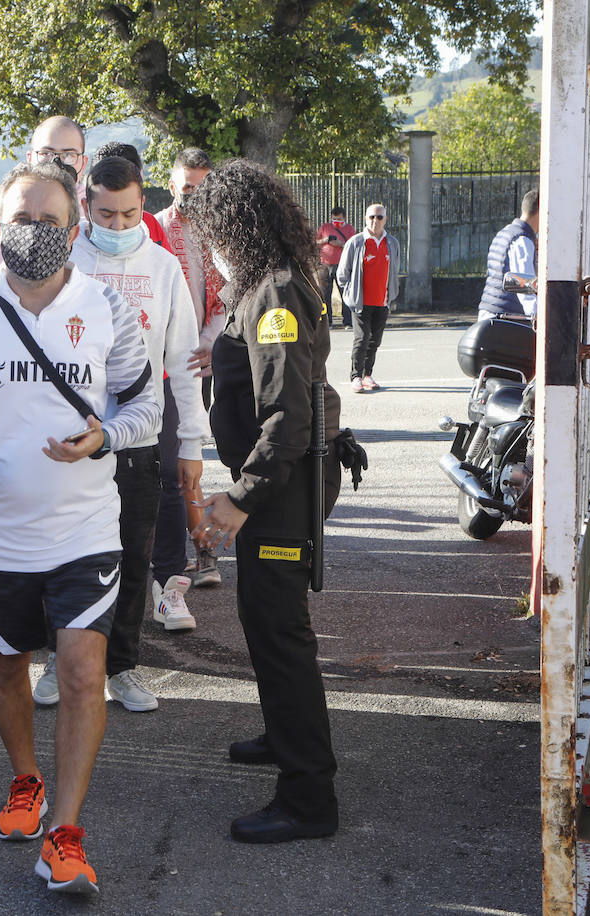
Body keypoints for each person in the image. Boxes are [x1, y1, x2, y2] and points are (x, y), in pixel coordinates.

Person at [0, 160, 159, 895]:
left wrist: (104, 438)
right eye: (23, 220)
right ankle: (26, 781)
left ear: (74, 223)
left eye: (51, 221)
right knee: (6, 668)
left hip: (84, 527)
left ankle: (68, 833)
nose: (36, 233)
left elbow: (145, 408)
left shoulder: (106, 307)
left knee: (83, 671)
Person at [180, 158, 344, 844]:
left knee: (280, 636)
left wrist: (240, 499)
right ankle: (284, 738)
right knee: (264, 620)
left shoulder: (274, 294)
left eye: (210, 234)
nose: (207, 250)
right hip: (278, 481)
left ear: (235, 228)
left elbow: (287, 417)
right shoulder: (262, 288)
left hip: (280, 485)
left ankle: (308, 799)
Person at [43, 154, 207, 715]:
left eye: (129, 214)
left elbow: (184, 359)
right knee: (65, 553)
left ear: (145, 206)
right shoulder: (63, 261)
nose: (116, 227)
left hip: (140, 437)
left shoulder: (163, 268)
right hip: (71, 438)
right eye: (106, 214)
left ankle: (123, 665)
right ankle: (55, 660)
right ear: (84, 206)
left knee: (134, 555)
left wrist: (191, 444)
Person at [153, 147, 224, 589]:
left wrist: (208, 343)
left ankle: (201, 549)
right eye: (184, 189)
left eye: (199, 189)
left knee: (189, 457)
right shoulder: (153, 228)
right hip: (152, 364)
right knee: (163, 464)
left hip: (197, 362)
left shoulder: (219, 231)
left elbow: (228, 296)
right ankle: (170, 556)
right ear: (172, 183)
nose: (190, 197)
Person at [0, 116, 89, 300]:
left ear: (83, 163)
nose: (56, 163)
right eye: (46, 153)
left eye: (68, 155)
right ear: (30, 157)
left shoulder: (94, 212)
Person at [337, 203, 399, 392]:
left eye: (379, 217)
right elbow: (342, 274)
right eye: (372, 217)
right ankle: (355, 376)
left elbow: (395, 270)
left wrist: (391, 294)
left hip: (382, 301)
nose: (375, 221)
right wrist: (351, 294)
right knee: (362, 338)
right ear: (366, 219)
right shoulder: (356, 242)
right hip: (361, 302)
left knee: (375, 340)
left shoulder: (392, 243)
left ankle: (367, 375)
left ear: (385, 220)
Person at [87, 141, 170, 250]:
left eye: (129, 214)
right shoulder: (73, 248)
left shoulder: (150, 223)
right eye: (106, 214)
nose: (118, 226)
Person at [478, 189, 539, 320]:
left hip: (490, 312)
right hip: (505, 318)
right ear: (541, 211)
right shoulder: (522, 241)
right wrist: (538, 316)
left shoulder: (506, 232)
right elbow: (524, 287)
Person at [315, 206, 355, 328]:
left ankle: (348, 321)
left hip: (342, 265)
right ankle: (328, 322)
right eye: (334, 219)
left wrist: (341, 244)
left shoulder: (349, 229)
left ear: (344, 218)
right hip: (325, 264)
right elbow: (315, 242)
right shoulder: (325, 227)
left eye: (339, 219)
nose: (336, 221)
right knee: (325, 294)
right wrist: (325, 240)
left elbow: (353, 245)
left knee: (345, 294)